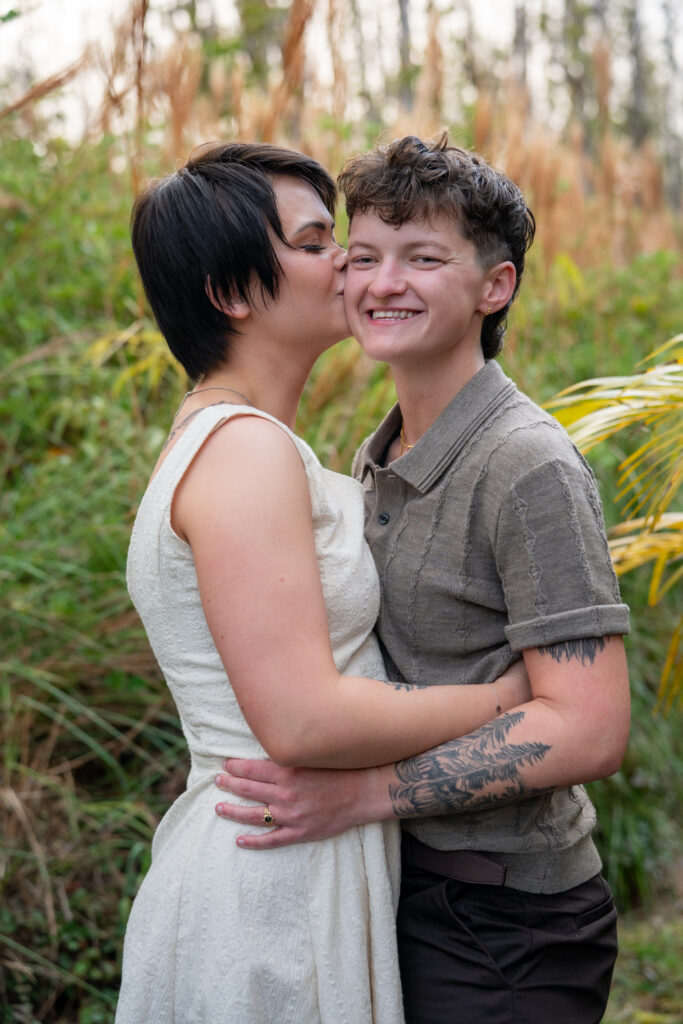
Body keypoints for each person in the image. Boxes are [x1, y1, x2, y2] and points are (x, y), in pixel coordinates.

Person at [214, 134, 631, 1024]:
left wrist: (365, 794)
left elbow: (589, 729)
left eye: (422, 258)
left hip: (505, 922)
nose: (380, 283)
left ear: (495, 286)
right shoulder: (378, 456)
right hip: (398, 893)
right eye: (362, 257)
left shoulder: (526, 466)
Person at [116, 141, 531, 1024]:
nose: (344, 259)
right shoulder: (243, 451)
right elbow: (302, 719)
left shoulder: (240, 442)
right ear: (231, 293)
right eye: (312, 243)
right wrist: (508, 700)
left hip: (297, 856)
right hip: (273, 882)